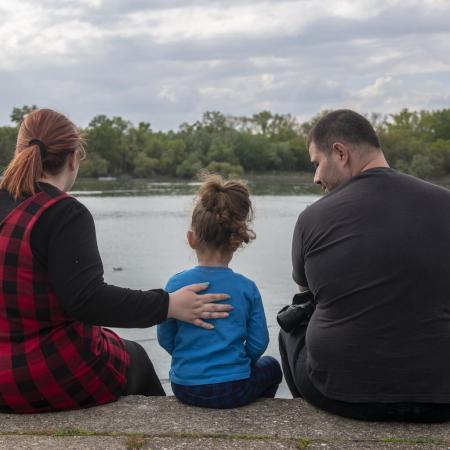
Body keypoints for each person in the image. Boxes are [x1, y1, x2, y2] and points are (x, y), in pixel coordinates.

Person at [0, 109, 232, 414]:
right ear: (73, 159)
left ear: (20, 153)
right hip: (36, 377)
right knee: (135, 358)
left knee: (109, 341)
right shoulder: (64, 213)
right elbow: (86, 300)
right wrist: (168, 305)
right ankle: (167, 436)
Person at [279, 109, 450, 422]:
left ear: (340, 153)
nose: (316, 178)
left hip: (340, 396)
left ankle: (311, 421)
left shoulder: (312, 219)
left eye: (316, 164)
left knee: (292, 323)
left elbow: (307, 299)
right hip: (443, 397)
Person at [157, 175, 282, 408]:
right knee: (272, 367)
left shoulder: (176, 285)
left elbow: (165, 337)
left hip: (185, 388)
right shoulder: (247, 288)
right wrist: (240, 364)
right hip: (234, 388)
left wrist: (188, 357)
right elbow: (258, 342)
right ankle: (260, 412)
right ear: (236, 241)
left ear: (191, 239)